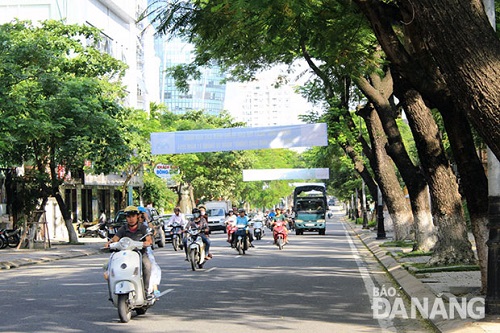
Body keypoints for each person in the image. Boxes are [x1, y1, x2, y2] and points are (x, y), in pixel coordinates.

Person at [106, 206, 154, 296]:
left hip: (139, 254)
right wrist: (109, 243)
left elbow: (149, 240)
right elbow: (115, 239)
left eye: (133, 216)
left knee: (147, 266)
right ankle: (112, 292)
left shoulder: (143, 228)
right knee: (108, 268)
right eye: (128, 216)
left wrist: (146, 243)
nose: (131, 219)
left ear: (137, 216)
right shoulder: (123, 228)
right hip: (124, 255)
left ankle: (146, 290)